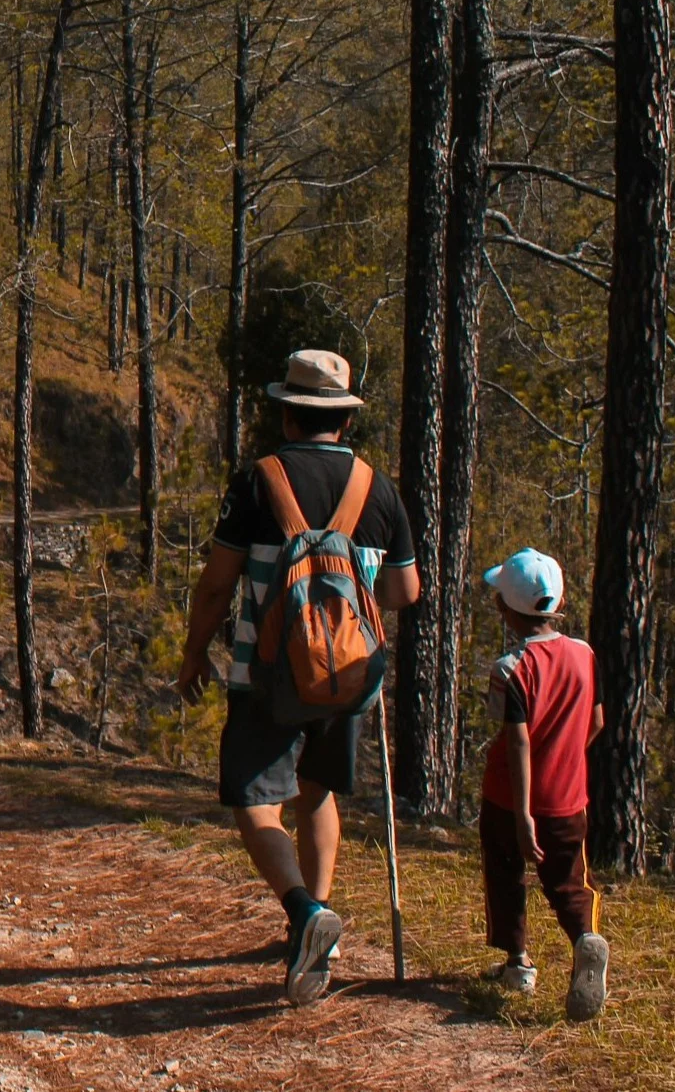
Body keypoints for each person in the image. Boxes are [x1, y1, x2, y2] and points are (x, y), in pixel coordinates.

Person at [176, 349, 419, 1007]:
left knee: (256, 802)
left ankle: (305, 913)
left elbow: (216, 584)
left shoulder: (258, 482)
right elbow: (405, 589)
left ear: (287, 413)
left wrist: (195, 652)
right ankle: (324, 930)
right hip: (349, 676)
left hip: (266, 672)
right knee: (318, 794)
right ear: (343, 418)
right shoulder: (379, 488)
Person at [478, 547, 609, 1022]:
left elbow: (517, 743)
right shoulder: (584, 654)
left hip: (509, 799)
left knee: (505, 870)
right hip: (570, 798)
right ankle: (585, 940)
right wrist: (569, 751)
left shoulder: (510, 669)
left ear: (505, 608)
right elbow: (596, 720)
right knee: (569, 880)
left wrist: (524, 812)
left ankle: (518, 963)